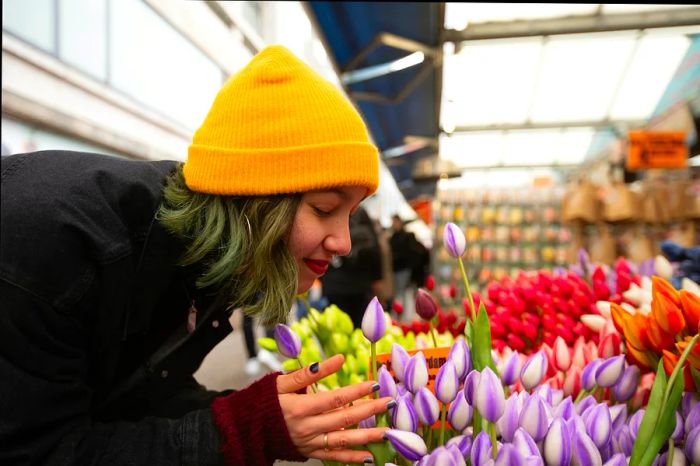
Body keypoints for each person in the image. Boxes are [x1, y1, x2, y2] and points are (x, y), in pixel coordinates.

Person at [0, 45, 394, 465]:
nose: (345, 243)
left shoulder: (209, 255)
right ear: (253, 202)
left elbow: (136, 394)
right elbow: (39, 451)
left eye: (350, 215)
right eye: (323, 209)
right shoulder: (61, 246)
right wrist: (241, 429)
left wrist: (263, 411)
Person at [320, 206, 383, 329]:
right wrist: (377, 278)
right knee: (362, 330)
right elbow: (375, 252)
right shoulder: (362, 215)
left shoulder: (329, 211)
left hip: (335, 285)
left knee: (337, 331)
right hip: (359, 284)